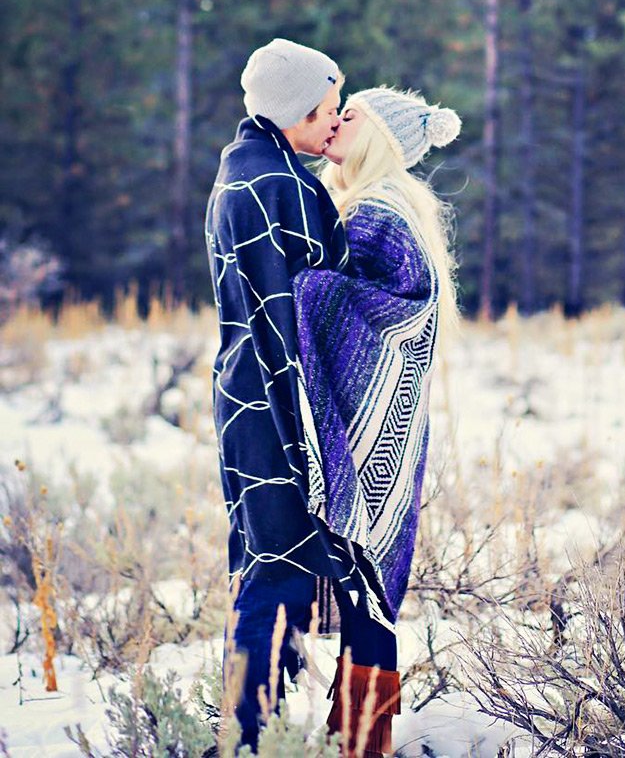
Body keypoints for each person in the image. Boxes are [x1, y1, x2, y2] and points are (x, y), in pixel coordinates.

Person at [205, 39, 396, 752]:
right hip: (280, 405)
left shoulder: (241, 170)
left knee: (267, 563)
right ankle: (253, 738)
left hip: (245, 396)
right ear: (293, 113)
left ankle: (264, 729)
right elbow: (323, 302)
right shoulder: (283, 185)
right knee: (280, 573)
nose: (335, 122)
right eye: (326, 110)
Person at [291, 87, 461, 755]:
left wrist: (306, 290)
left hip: (371, 417)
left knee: (362, 568)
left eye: (350, 114)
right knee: (366, 575)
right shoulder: (370, 204)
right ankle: (359, 737)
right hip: (378, 421)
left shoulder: (379, 210)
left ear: (381, 136)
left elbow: (399, 312)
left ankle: (362, 739)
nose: (334, 121)